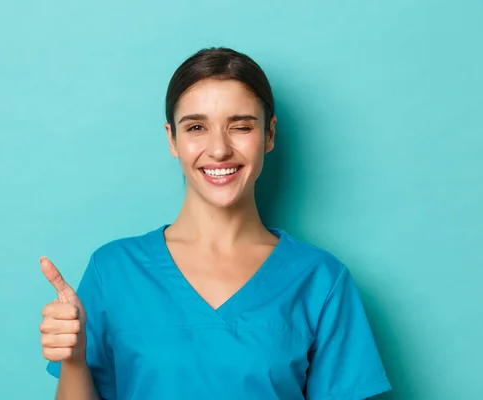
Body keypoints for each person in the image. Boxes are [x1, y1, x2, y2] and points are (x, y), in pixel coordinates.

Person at [39, 47, 392, 400]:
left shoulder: (321, 280)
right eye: (196, 127)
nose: (219, 149)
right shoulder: (113, 270)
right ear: (172, 139)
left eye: (240, 126)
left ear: (269, 135)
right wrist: (74, 360)